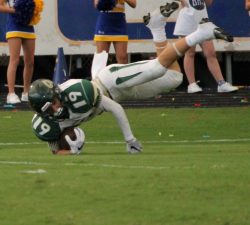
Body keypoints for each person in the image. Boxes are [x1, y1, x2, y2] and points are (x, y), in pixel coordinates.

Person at [28, 3, 233, 155]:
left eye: (56, 101)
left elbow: (115, 109)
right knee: (174, 77)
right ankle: (156, 26)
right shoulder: (48, 124)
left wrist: (130, 140)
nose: (57, 106)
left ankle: (200, 33)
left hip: (110, 82)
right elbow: (55, 151)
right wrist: (71, 151)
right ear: (43, 111)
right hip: (117, 94)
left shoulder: (77, 93)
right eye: (52, 106)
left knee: (155, 68)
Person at [173, 0, 238, 93]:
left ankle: (221, 83)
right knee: (190, 53)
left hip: (202, 20)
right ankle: (192, 84)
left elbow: (209, 3)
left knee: (210, 53)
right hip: (187, 20)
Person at [0, 0, 36, 104]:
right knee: (14, 60)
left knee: (30, 62)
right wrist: (15, 10)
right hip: (14, 26)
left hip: (28, 26)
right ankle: (11, 93)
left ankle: (26, 92)